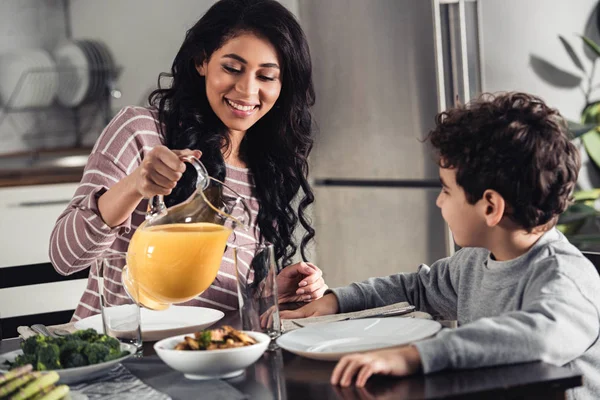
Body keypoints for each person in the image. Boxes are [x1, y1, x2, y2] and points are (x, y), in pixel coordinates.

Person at [280, 92, 600, 399]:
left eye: (446, 190)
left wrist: (416, 356)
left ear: (490, 207)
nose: (438, 201)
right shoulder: (475, 260)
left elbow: (540, 337)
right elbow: (418, 289)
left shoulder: (566, 277)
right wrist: (337, 301)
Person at [49, 0, 328, 321]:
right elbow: (65, 258)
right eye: (232, 68)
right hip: (120, 355)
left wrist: (269, 294)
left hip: (207, 357)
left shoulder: (268, 168)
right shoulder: (140, 131)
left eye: (266, 76)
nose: (247, 90)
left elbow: (216, 307)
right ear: (201, 62)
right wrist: (134, 186)